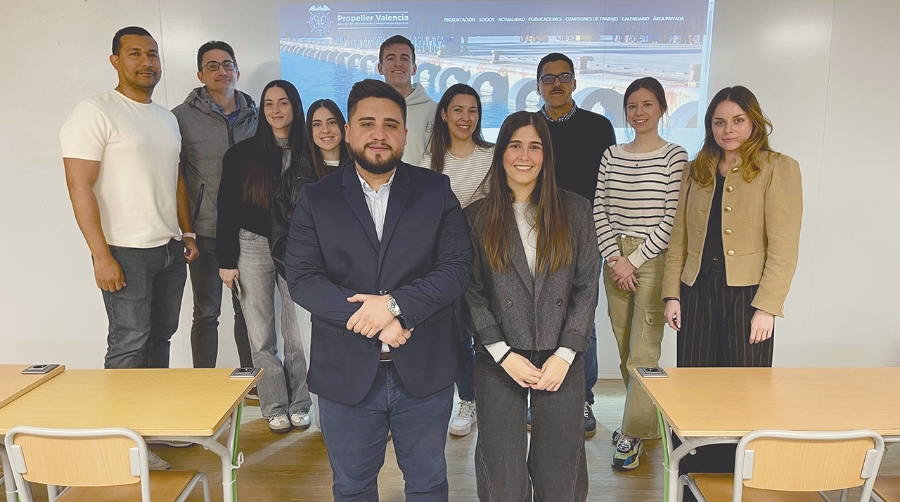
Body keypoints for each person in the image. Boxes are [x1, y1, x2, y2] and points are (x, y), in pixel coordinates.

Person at [285, 79, 472, 501]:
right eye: (367, 123)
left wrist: (394, 307)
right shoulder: (317, 198)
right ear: (348, 131)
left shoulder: (435, 190)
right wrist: (377, 325)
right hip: (346, 374)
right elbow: (302, 277)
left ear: (405, 134)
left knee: (427, 484)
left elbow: (458, 268)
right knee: (351, 487)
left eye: (391, 124)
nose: (378, 134)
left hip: (425, 371)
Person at [59, 26, 198, 470]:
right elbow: (79, 184)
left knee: (160, 340)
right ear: (115, 60)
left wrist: (187, 233)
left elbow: (174, 177)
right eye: (135, 53)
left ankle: (149, 428)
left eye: (153, 54)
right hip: (125, 251)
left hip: (169, 250)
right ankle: (120, 446)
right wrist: (101, 255)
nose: (147, 62)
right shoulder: (94, 111)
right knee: (128, 345)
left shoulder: (165, 117)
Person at [662, 86, 802, 489]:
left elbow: (784, 247)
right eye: (719, 122)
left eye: (738, 120)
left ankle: (736, 484)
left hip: (748, 296)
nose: (728, 130)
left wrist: (768, 307)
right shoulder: (697, 168)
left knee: (745, 391)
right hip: (696, 292)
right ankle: (691, 481)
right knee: (693, 391)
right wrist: (673, 293)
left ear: (754, 121)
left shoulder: (779, 168)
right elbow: (680, 241)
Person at [464, 111, 599, 501]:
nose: (525, 155)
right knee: (502, 473)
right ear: (501, 152)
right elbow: (471, 292)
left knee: (561, 471)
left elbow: (587, 285)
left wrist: (566, 352)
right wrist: (502, 353)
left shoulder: (575, 211)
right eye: (515, 145)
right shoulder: (476, 217)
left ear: (547, 155)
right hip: (499, 356)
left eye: (535, 146)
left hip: (561, 356)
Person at [593, 77, 687, 469]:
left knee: (643, 353)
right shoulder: (611, 154)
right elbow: (599, 208)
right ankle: (644, 424)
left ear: (662, 108)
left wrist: (635, 260)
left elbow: (672, 217)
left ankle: (631, 434)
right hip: (615, 260)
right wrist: (615, 258)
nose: (639, 112)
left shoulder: (674, 156)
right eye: (632, 105)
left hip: (654, 260)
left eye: (648, 104)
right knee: (625, 348)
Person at [217, 80, 312, 434]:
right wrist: (226, 260)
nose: (275, 109)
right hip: (251, 246)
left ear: (294, 106)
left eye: (283, 102)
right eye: (268, 103)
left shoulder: (310, 152)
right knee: (259, 334)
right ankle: (274, 405)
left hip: (297, 248)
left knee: (299, 333)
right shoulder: (240, 155)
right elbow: (225, 208)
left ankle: (301, 403)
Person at [536, 52, 615, 437]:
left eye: (563, 76)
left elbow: (609, 187)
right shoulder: (528, 126)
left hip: (586, 235)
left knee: (584, 320)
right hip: (534, 235)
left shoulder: (598, 127)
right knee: (536, 315)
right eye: (548, 78)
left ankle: (583, 398)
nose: (556, 84)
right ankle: (539, 393)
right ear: (538, 85)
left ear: (574, 82)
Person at [172, 40, 256, 370]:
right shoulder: (181, 118)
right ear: (199, 74)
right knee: (206, 313)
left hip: (248, 232)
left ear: (236, 70)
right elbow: (175, 175)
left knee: (247, 311)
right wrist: (186, 229)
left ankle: (254, 383)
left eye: (227, 64)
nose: (221, 71)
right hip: (206, 231)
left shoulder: (256, 114)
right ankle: (202, 387)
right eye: (212, 66)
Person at [421, 83, 493, 437]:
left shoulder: (494, 156)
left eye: (473, 111)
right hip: (446, 263)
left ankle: (495, 399)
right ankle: (468, 400)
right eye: (459, 110)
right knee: (457, 335)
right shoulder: (429, 161)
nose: (466, 118)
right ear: (444, 114)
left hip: (489, 260)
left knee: (491, 331)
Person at [270, 98, 351, 277]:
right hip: (311, 281)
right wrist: (303, 278)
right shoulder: (293, 178)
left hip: (356, 280)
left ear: (344, 127)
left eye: (332, 122)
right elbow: (280, 237)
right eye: (317, 124)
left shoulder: (362, 172)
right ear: (309, 131)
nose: (325, 130)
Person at [378, 34, 437, 165]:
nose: (398, 64)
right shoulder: (369, 109)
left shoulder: (435, 111)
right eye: (390, 58)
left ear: (414, 68)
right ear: (380, 68)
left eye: (404, 59)